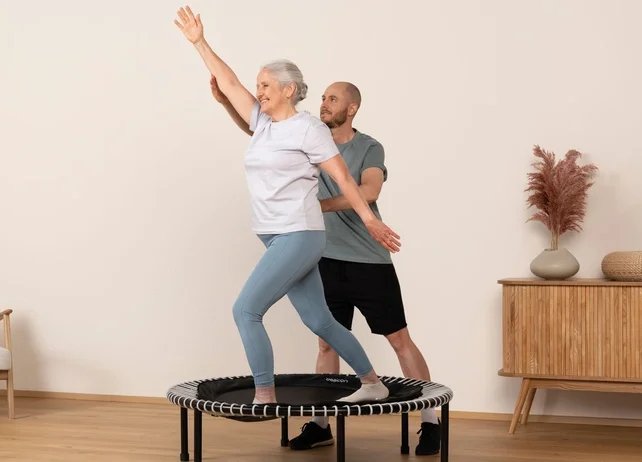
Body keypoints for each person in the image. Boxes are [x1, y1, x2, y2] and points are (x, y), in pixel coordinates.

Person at [173, 5, 401, 405]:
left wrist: (369, 221)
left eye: (265, 86)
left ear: (288, 90)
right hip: (276, 235)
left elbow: (346, 179)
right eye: (258, 85)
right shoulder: (262, 123)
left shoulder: (308, 128)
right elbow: (228, 82)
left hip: (299, 232)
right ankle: (371, 381)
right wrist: (199, 43)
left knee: (245, 310)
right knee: (319, 319)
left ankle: (264, 395)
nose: (258, 91)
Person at [210, 77, 441, 455]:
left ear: (351, 109)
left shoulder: (368, 147)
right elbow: (260, 131)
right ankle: (321, 424)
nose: (324, 103)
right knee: (323, 336)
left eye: (333, 99)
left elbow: (367, 190)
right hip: (323, 254)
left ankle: (430, 420)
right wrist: (225, 103)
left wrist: (313, 207)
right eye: (322, 97)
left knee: (398, 340)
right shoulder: (302, 134)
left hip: (367, 257)